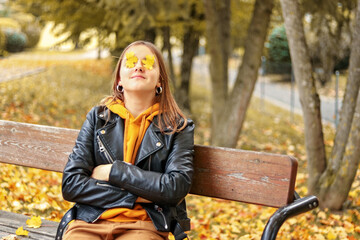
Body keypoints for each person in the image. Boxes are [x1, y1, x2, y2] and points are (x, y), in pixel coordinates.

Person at [55, 40, 195, 240]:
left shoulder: (177, 127)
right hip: (90, 221)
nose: (138, 66)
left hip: (145, 225)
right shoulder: (98, 118)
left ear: (160, 81)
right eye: (130, 62)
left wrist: (114, 172)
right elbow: (71, 184)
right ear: (119, 79)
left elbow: (175, 188)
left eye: (147, 62)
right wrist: (140, 194)